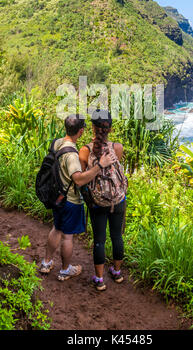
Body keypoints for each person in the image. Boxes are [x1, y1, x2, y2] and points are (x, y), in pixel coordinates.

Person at [39, 114, 116, 281]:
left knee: (56, 228)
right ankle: (65, 269)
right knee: (67, 235)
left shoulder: (58, 142)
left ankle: (46, 262)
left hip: (57, 195)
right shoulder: (72, 155)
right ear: (81, 131)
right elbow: (79, 179)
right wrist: (100, 166)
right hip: (70, 200)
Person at [79, 109, 126, 291]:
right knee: (117, 236)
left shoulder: (85, 150)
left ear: (92, 127)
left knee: (99, 239)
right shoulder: (117, 147)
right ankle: (117, 272)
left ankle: (99, 279)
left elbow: (84, 176)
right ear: (110, 129)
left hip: (97, 201)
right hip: (117, 199)